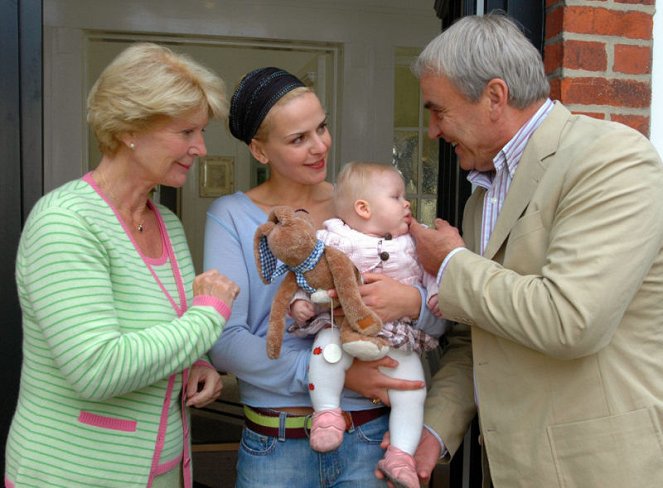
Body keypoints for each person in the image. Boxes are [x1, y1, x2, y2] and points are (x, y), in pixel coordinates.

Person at [400, 12, 663, 488]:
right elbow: (475, 337)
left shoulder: (611, 159)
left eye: (439, 110)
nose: (435, 130)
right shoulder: (483, 195)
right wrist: (433, 432)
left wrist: (452, 263)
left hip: (600, 470)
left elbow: (572, 319)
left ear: (495, 97)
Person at [4, 42, 240, 488]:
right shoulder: (65, 222)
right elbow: (97, 369)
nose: (201, 148)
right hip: (71, 475)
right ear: (131, 127)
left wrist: (195, 364)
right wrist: (209, 315)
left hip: (162, 471)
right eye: (186, 132)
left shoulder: (165, 222)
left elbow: (166, 332)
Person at [204, 67, 439, 487]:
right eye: (298, 139)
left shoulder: (364, 205)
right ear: (259, 150)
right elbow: (226, 343)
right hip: (276, 444)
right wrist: (333, 371)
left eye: (322, 127)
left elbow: (436, 315)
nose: (319, 146)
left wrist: (414, 303)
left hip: (371, 440)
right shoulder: (232, 217)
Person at [287, 161, 447, 487]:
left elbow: (432, 274)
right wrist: (299, 301)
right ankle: (327, 414)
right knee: (324, 351)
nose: (407, 204)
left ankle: (401, 454)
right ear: (363, 207)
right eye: (396, 196)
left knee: (413, 389)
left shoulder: (414, 243)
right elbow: (307, 273)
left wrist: (436, 296)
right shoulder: (335, 240)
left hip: (395, 338)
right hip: (341, 328)